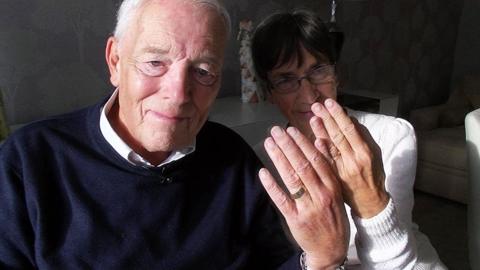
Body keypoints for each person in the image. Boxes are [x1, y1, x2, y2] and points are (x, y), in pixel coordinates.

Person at [0, 1, 353, 269]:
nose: (179, 93)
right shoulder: (27, 162)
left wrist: (320, 258)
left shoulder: (233, 158)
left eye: (203, 71)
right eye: (155, 62)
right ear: (115, 61)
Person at [250, 10, 447, 269]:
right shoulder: (262, 161)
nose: (309, 95)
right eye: (286, 80)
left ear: (336, 74)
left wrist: (371, 199)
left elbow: (395, 253)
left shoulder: (391, 135)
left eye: (318, 70)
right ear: (269, 93)